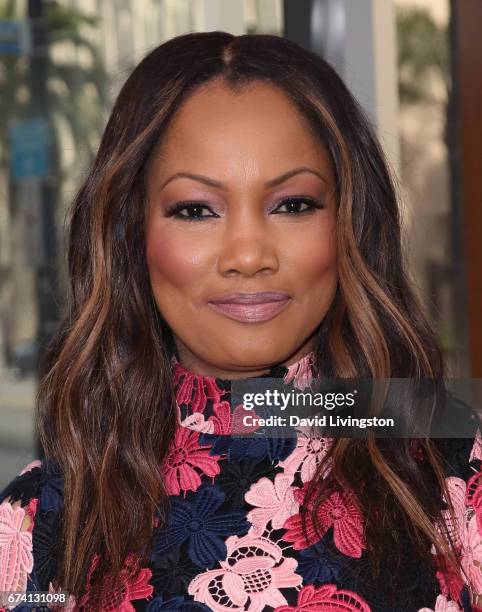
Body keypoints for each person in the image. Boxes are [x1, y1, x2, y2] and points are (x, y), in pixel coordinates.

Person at [0, 30, 481, 612]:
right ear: (133, 235)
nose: (248, 254)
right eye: (196, 210)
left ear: (350, 224)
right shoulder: (37, 523)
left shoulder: (455, 467)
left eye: (293, 204)